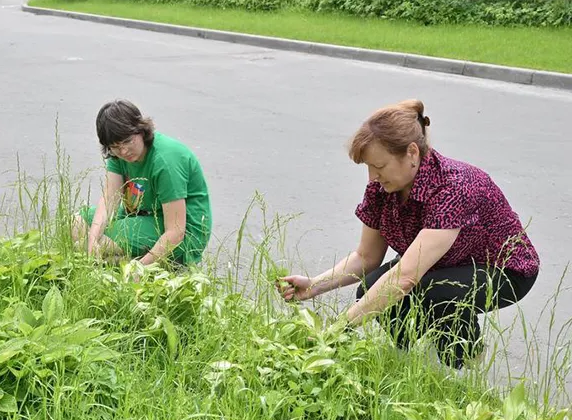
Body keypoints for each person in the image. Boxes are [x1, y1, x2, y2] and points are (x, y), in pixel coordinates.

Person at [277, 99, 539, 369]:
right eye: (368, 168)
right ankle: (410, 361)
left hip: (504, 270)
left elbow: (405, 277)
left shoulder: (453, 186)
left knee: (432, 291)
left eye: (379, 167)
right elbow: (366, 257)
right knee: (371, 287)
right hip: (444, 263)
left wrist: (337, 330)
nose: (372, 177)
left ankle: (464, 367)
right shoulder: (381, 188)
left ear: (412, 153)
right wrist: (314, 286)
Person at [73, 100, 212, 268]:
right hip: (141, 213)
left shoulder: (165, 161)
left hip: (182, 231)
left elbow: (176, 231)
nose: (124, 151)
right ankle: (124, 261)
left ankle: (143, 264)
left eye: (127, 141)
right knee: (76, 224)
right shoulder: (118, 155)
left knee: (95, 244)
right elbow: (110, 198)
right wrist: (92, 239)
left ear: (141, 130)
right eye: (116, 147)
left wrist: (139, 269)